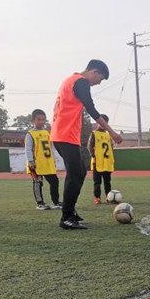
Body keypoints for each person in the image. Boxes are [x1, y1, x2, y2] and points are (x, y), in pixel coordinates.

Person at [50, 59, 122, 229]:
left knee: (80, 171)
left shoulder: (69, 80)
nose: (98, 83)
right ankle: (66, 218)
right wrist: (111, 132)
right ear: (94, 71)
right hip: (65, 134)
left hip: (63, 134)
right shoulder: (81, 82)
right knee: (75, 174)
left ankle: (70, 211)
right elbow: (91, 108)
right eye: (100, 79)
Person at [25, 109, 61, 210]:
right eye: (38, 119)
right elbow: (28, 149)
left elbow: (50, 147)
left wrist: (53, 160)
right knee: (38, 183)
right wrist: (31, 161)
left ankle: (55, 202)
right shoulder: (30, 134)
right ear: (33, 120)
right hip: (36, 164)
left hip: (47, 163)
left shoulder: (46, 133)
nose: (41, 122)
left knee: (54, 181)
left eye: (43, 120)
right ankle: (40, 203)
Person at [87, 114, 114, 204]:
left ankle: (108, 197)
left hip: (106, 162)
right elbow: (90, 146)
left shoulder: (108, 135)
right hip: (97, 162)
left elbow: (111, 147)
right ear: (97, 123)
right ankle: (97, 197)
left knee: (107, 182)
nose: (103, 124)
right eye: (101, 122)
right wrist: (93, 155)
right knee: (97, 181)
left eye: (105, 123)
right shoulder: (94, 133)